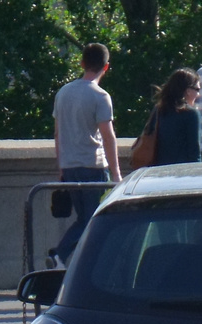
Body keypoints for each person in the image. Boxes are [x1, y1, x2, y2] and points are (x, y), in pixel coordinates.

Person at [50, 43, 122, 266]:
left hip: (70, 165)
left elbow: (58, 134)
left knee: (84, 218)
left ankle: (66, 257)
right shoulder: (100, 96)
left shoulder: (63, 93)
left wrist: (62, 166)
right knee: (95, 220)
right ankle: (61, 254)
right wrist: (117, 172)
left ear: (82, 63)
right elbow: (108, 136)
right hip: (93, 166)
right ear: (106, 67)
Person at [150, 69, 202, 166]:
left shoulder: (159, 110)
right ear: (188, 91)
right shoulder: (191, 114)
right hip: (180, 172)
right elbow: (194, 151)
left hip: (157, 170)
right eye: (197, 90)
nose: (198, 95)